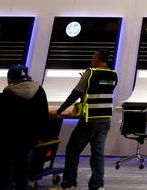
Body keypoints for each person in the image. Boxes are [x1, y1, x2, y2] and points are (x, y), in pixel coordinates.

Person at [52, 50, 118, 190]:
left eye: (93, 57)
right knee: (98, 153)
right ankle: (97, 184)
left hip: (90, 120)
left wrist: (59, 111)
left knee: (72, 150)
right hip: (105, 120)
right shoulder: (113, 74)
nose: (91, 59)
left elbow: (75, 93)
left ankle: (69, 184)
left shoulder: (90, 73)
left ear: (98, 59)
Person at [0, 64, 49, 190]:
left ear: (9, 79)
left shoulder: (6, 96)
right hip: (28, 144)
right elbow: (44, 117)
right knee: (22, 179)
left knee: (5, 181)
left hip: (6, 146)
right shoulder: (40, 91)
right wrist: (41, 138)